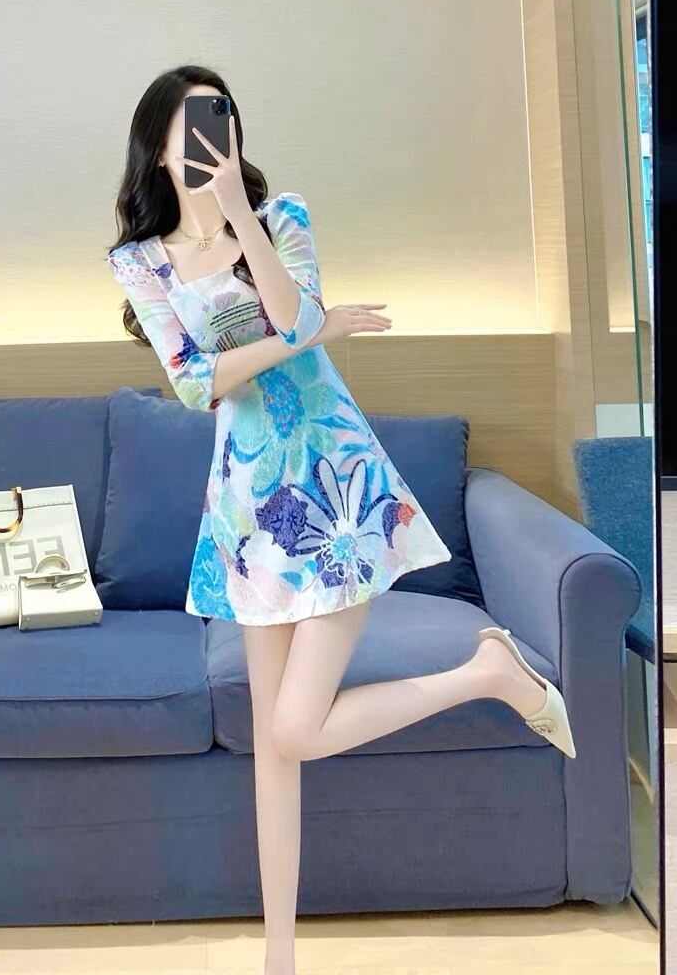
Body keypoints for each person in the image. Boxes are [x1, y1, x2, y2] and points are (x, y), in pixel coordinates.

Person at [107, 64, 575, 975]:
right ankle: (280, 957)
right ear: (157, 147)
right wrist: (312, 335)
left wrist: (244, 224)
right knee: (274, 749)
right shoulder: (140, 262)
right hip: (250, 509)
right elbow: (197, 383)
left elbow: (291, 312)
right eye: (189, 125)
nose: (207, 138)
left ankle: (487, 674)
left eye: (220, 119)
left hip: (339, 487)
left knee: (292, 730)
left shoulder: (282, 218)